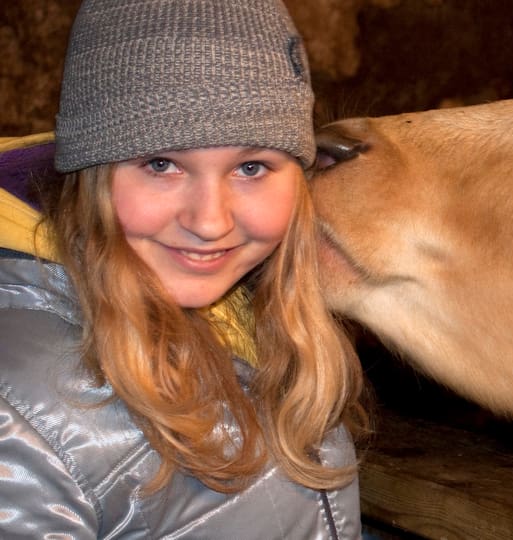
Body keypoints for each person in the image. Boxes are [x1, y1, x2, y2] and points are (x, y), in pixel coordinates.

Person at [0, 0, 367, 537]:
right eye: (161, 164)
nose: (210, 222)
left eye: (251, 167)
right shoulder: (21, 418)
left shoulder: (255, 309)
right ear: (93, 174)